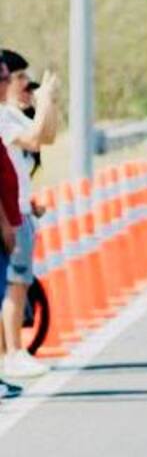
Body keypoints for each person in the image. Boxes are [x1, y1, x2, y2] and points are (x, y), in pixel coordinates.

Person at [0, 51, 57, 380]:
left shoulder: (11, 114)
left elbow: (45, 137)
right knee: (15, 284)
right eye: (16, 77)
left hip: (19, 209)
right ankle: (13, 354)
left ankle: (10, 355)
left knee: (14, 283)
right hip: (11, 214)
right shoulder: (3, 117)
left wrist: (49, 103)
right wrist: (45, 100)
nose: (23, 83)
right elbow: (36, 139)